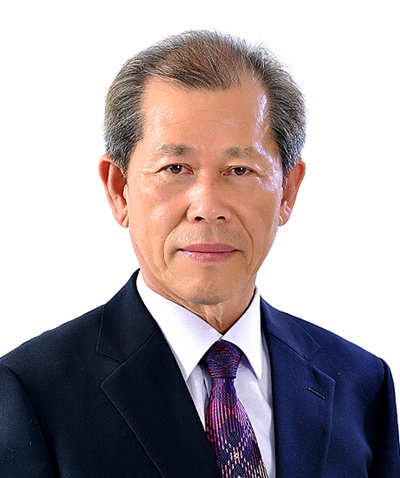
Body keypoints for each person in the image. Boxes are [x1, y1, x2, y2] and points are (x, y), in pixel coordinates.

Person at [0, 30, 399, 478]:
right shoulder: (30, 393)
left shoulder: (360, 383)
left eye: (240, 169)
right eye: (175, 168)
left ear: (287, 191)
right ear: (119, 189)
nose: (207, 206)